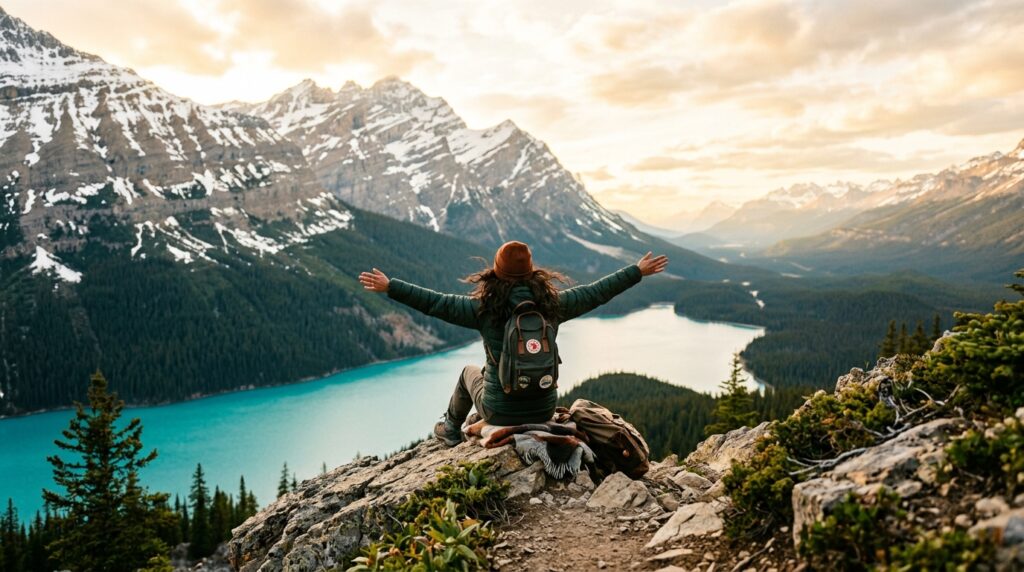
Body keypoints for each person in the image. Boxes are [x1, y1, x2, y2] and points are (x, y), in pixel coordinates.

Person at [358, 241, 668, 446]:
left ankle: (450, 430)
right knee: (488, 370)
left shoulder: (482, 309)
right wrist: (636, 271)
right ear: (532, 272)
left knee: (470, 372)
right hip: (544, 407)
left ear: (496, 272)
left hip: (500, 412)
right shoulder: (553, 304)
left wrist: (391, 287)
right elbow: (597, 291)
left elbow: (434, 303)